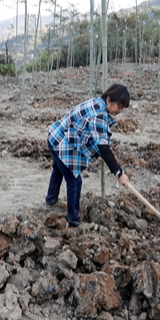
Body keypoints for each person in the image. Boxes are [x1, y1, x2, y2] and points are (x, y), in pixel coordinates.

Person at [46, 83, 131, 228]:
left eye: (123, 108)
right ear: (109, 99)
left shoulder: (99, 104)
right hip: (60, 142)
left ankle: (52, 200)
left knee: (59, 170)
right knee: (74, 181)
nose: (120, 110)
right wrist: (119, 173)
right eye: (119, 106)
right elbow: (103, 147)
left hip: (58, 137)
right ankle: (74, 221)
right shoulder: (98, 114)